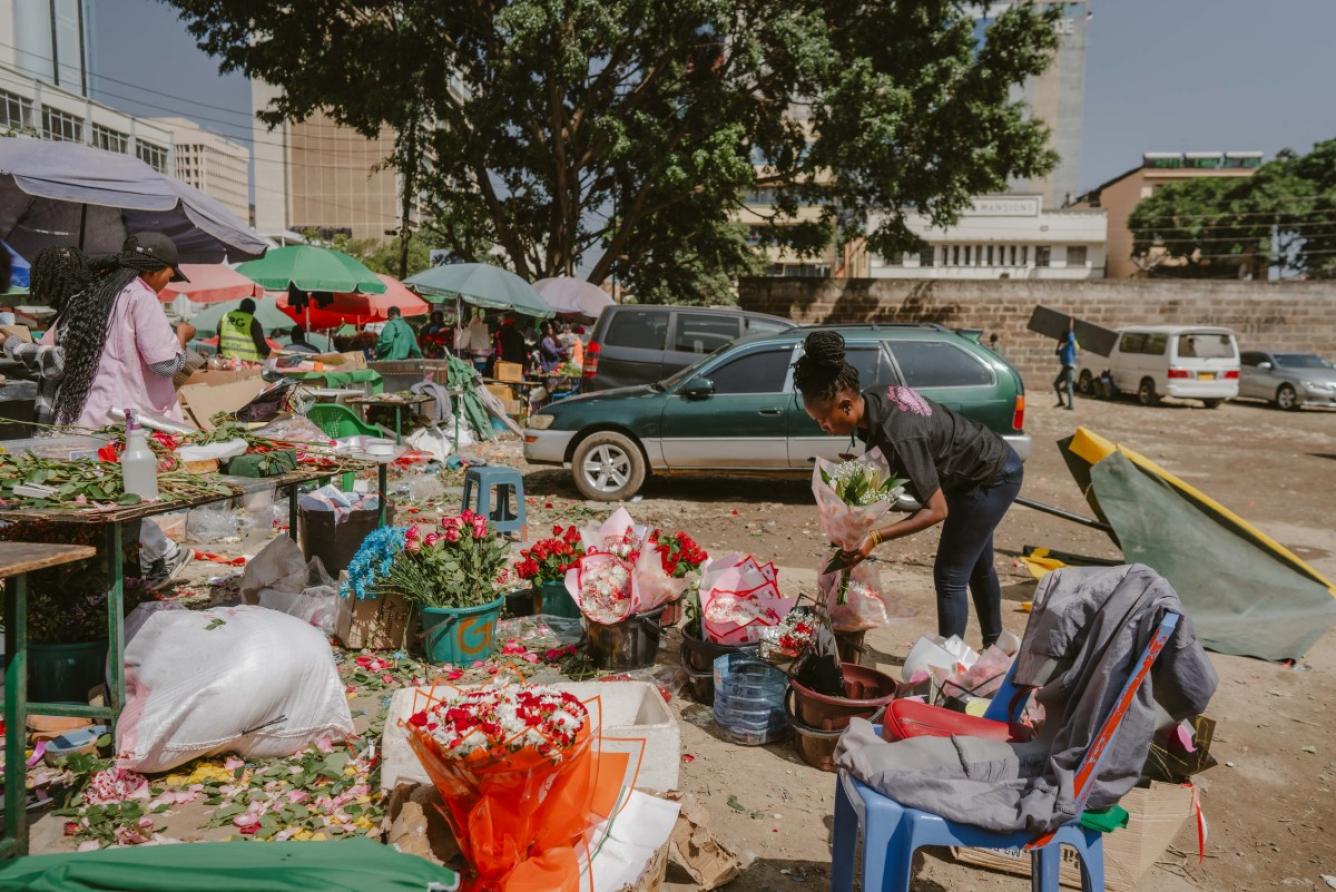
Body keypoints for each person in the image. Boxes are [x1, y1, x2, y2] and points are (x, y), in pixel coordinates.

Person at [793, 330, 1022, 648]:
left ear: (845, 405)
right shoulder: (873, 401)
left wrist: (873, 538)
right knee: (976, 564)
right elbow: (892, 453)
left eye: (823, 420)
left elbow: (936, 510)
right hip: (969, 471)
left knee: (950, 575)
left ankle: (949, 667)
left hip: (989, 476)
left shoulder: (900, 434)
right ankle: (997, 647)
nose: (824, 427)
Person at [2, 247, 93, 422]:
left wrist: (11, 344)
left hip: (64, 415)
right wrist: (25, 341)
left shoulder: (80, 313)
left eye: (42, 279)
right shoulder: (66, 311)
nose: (40, 288)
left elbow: (61, 362)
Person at [219, 297, 270, 361]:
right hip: (247, 363)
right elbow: (260, 344)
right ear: (252, 311)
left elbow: (220, 334)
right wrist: (270, 352)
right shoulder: (253, 321)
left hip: (226, 360)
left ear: (241, 307)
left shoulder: (225, 317)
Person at [1054, 318, 1078, 410]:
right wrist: (1058, 343)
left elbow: (1071, 331)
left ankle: (1071, 405)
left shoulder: (1071, 342)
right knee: (1056, 384)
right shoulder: (1063, 347)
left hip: (1070, 367)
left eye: (1061, 337)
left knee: (1068, 385)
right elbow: (1056, 352)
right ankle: (1061, 402)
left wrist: (1071, 321)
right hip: (1065, 368)